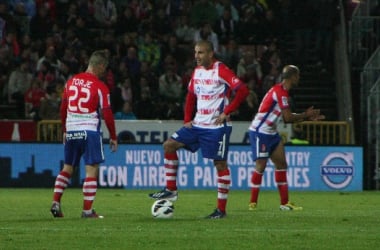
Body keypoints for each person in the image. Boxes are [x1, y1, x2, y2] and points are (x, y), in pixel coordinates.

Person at [149, 40, 249, 219]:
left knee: (220, 164)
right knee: (169, 145)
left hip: (217, 127)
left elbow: (242, 90)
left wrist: (226, 112)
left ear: (211, 54)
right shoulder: (197, 72)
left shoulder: (221, 70)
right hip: (197, 124)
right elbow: (190, 96)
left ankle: (221, 210)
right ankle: (171, 190)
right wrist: (187, 119)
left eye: (200, 53)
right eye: (195, 52)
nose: (196, 56)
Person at [50, 50, 118, 219]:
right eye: (105, 68)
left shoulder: (71, 82)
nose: (105, 72)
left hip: (72, 129)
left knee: (67, 168)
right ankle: (87, 211)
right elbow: (107, 113)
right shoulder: (100, 86)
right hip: (89, 130)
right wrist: (114, 136)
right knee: (91, 170)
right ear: (100, 66)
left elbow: (63, 108)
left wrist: (65, 129)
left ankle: (56, 202)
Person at [248, 65, 325, 211]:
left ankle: (284, 203)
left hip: (271, 132)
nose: (299, 78)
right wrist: (306, 115)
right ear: (293, 77)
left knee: (282, 164)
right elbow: (288, 118)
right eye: (298, 76)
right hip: (260, 132)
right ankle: (253, 203)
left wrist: (305, 117)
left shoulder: (281, 92)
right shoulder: (280, 93)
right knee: (261, 165)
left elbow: (288, 117)